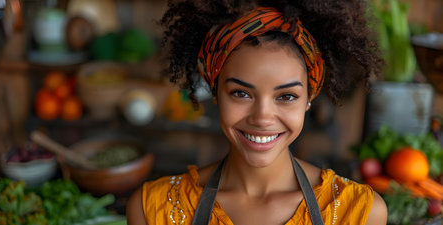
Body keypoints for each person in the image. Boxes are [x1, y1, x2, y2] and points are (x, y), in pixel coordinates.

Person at [127, 0, 388, 224]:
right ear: (216, 93)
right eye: (241, 93)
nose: (262, 117)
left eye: (286, 96)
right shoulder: (151, 210)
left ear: (309, 99)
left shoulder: (360, 213)